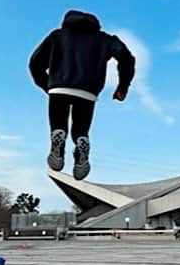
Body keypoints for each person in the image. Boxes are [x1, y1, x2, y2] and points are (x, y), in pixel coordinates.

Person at [29, 10, 136, 181]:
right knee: (80, 129)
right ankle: (81, 144)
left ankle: (58, 139)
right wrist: (122, 87)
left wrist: (47, 85)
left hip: (59, 89)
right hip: (88, 92)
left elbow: (34, 63)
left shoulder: (57, 36)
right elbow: (127, 58)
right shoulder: (104, 39)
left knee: (58, 124)